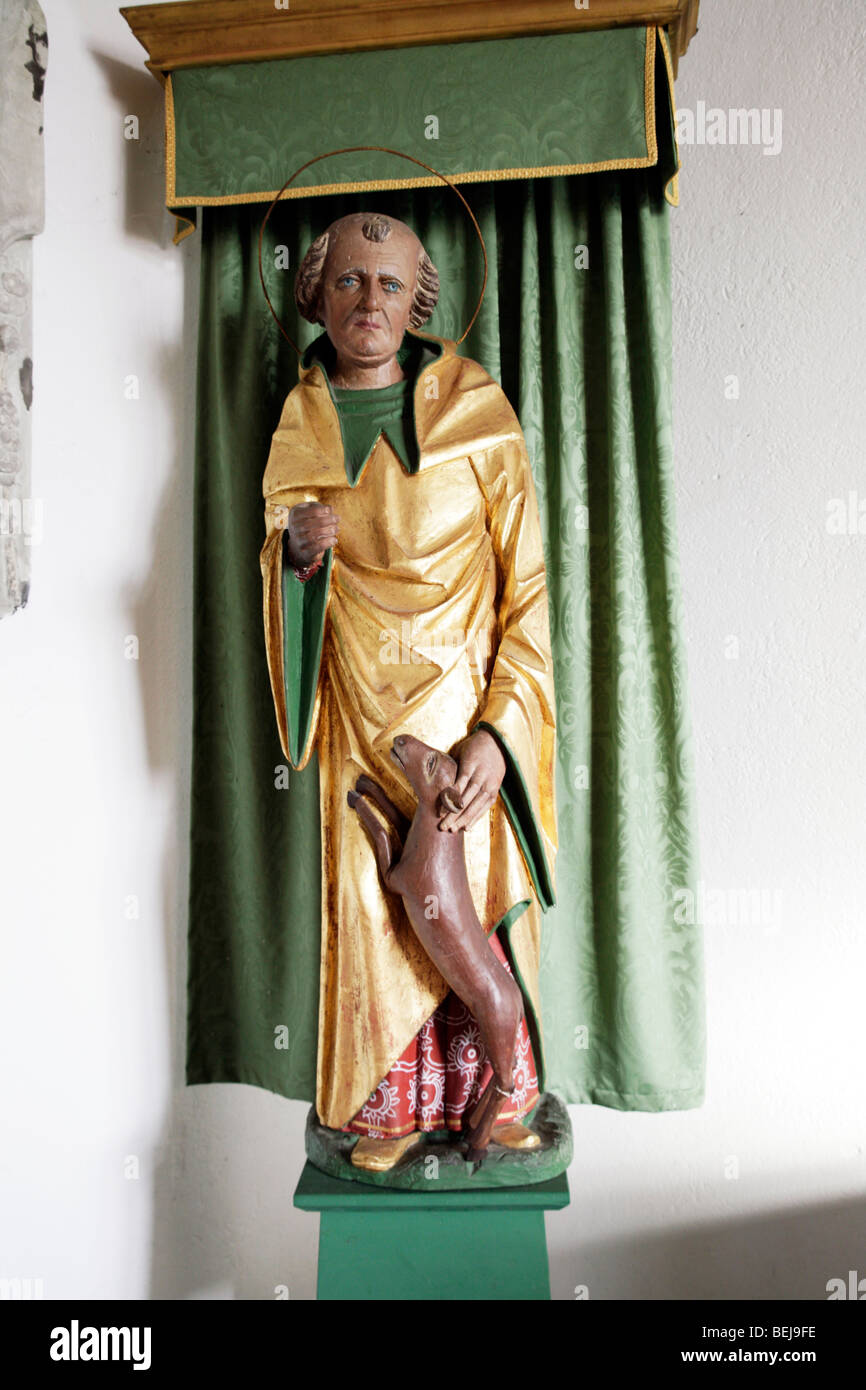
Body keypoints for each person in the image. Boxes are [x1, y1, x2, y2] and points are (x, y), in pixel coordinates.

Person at [260, 211, 557, 1173]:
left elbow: (531, 591)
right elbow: (283, 573)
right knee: (375, 905)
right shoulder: (300, 427)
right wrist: (296, 563)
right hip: (357, 716)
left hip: (459, 719)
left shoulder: (479, 413)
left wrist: (497, 737)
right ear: (317, 296)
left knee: (458, 899)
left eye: (389, 285)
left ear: (420, 301)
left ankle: (502, 1087)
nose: (369, 303)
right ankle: (386, 1105)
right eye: (348, 282)